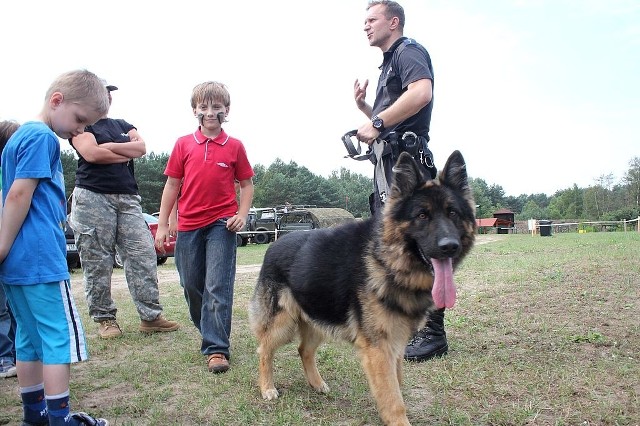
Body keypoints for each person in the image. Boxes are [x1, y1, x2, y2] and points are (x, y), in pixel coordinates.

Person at [0, 69, 109, 426]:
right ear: (57, 100)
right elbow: (18, 195)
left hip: (16, 264)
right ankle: (60, 420)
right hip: (39, 259)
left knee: (28, 340)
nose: (78, 131)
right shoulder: (42, 137)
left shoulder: (16, 139)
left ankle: (36, 417)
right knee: (58, 339)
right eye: (79, 120)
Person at [353, 1, 447, 362]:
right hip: (391, 167)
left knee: (424, 244)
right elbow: (391, 117)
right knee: (395, 247)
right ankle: (403, 327)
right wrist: (366, 109)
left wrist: (375, 123)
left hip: (408, 167)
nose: (365, 26)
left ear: (393, 22)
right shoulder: (389, 64)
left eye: (371, 19)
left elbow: (421, 93)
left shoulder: (409, 52)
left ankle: (434, 333)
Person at [154, 81, 254, 374]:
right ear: (195, 110)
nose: (210, 112)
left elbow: (246, 184)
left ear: (227, 110)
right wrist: (163, 225)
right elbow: (172, 184)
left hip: (222, 225)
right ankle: (209, 328)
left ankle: (216, 348)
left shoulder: (234, 146)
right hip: (188, 226)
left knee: (217, 286)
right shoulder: (183, 144)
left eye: (216, 107)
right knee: (192, 285)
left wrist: (242, 213)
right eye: (204, 106)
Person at [69, 81, 179, 339]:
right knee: (97, 260)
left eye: (109, 94)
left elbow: (140, 148)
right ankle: (105, 320)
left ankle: (151, 317)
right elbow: (91, 155)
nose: (107, 97)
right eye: (102, 92)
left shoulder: (122, 124)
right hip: (92, 196)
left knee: (142, 253)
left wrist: (106, 148)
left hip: (128, 198)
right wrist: (121, 151)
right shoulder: (80, 126)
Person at [0, 119, 19, 379]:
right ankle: (4, 357)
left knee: (14, 306)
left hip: (13, 248)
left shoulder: (17, 173)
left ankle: (16, 355)